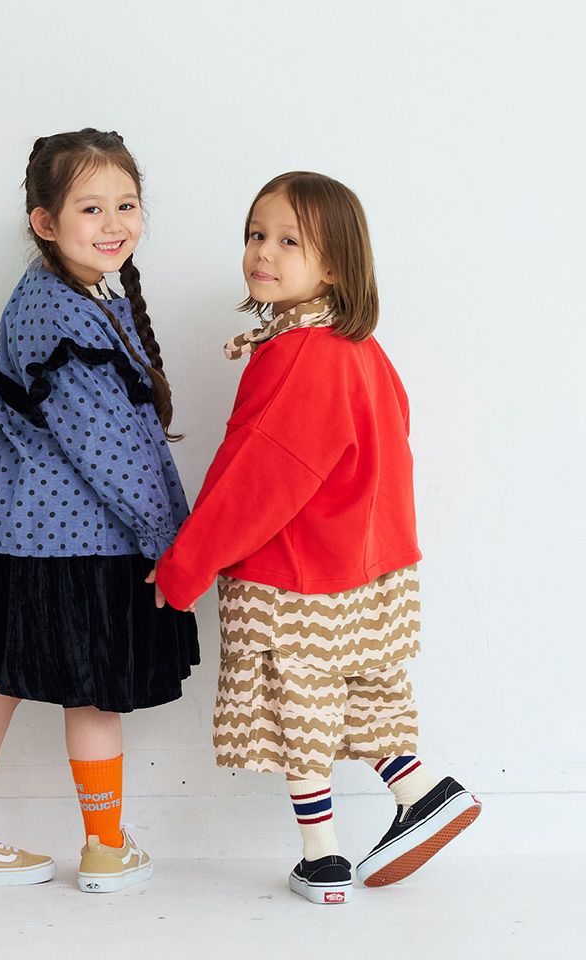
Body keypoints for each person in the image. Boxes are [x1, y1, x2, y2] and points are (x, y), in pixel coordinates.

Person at [152, 171, 480, 904]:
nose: (262, 252)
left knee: (293, 702)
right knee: (358, 691)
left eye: (288, 241)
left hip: (294, 573)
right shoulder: (358, 346)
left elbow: (256, 478)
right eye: (255, 234)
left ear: (333, 265)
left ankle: (322, 856)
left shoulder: (300, 354)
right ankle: (421, 791)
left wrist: (186, 565)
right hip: (368, 569)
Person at [0, 129, 199, 893]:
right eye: (91, 208)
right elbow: (111, 451)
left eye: (127, 205)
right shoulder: (66, 316)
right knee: (92, 694)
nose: (114, 223)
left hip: (12, 535)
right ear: (45, 221)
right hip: (73, 541)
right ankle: (105, 848)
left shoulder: (49, 293)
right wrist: (171, 543)